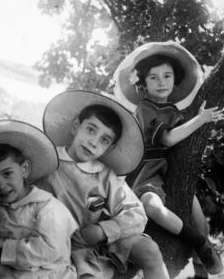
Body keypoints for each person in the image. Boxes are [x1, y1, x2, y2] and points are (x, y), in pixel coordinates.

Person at [113, 41, 224, 278]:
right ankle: (196, 241)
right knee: (152, 206)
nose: (162, 81)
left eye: (167, 75)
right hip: (149, 171)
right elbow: (169, 139)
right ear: (142, 85)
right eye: (153, 78)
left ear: (175, 79)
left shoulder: (173, 111)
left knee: (200, 220)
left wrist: (197, 119)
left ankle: (201, 270)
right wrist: (201, 119)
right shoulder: (145, 108)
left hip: (171, 172)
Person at [33, 90, 169, 279]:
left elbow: (137, 214)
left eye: (104, 140)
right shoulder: (47, 161)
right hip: (51, 244)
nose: (93, 142)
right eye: (90, 129)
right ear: (75, 127)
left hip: (94, 243)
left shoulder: (106, 176)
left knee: (150, 250)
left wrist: (103, 230)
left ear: (110, 147)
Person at [0, 120, 78, 279]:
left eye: (7, 174)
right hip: (12, 274)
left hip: (49, 275)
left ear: (24, 169)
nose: (1, 185)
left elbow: (51, 251)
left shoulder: (47, 207)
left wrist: (3, 245)